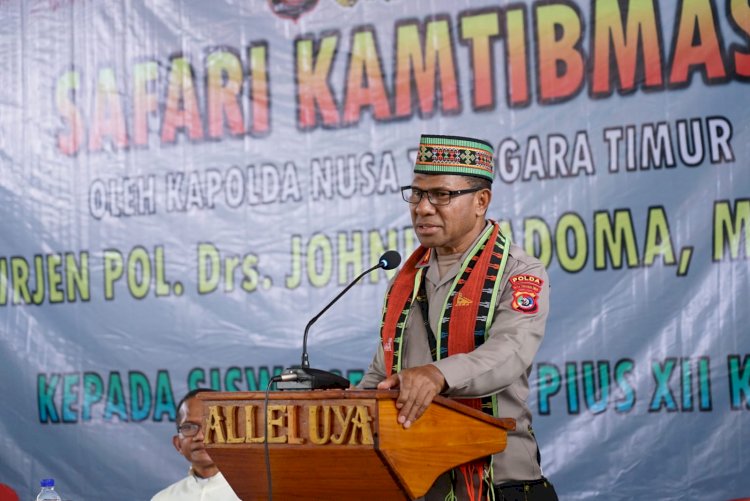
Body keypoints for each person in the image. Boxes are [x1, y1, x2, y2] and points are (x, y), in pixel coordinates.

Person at [359, 134, 558, 500]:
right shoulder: (406, 279)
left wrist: (438, 375)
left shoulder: (517, 271)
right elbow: (381, 375)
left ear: (481, 201)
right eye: (417, 193)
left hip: (498, 483)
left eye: (442, 195)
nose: (423, 207)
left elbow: (509, 353)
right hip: (416, 484)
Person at [151, 388, 241, 501]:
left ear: (234, 437)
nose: (200, 436)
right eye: (188, 427)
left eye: (213, 424)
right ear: (178, 444)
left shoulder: (258, 496)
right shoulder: (163, 499)